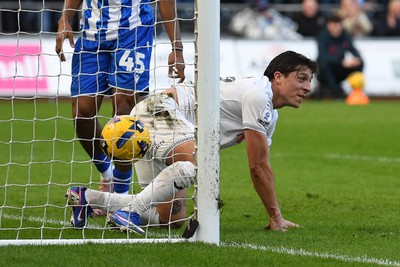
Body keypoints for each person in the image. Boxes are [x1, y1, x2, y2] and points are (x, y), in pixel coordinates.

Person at [65, 50, 318, 235]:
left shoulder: (269, 113)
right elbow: (258, 167)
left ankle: (88, 198)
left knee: (170, 219)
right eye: (302, 78)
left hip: (163, 123)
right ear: (278, 77)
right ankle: (129, 212)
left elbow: (262, 165)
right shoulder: (259, 95)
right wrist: (276, 217)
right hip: (160, 110)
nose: (307, 87)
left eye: (310, 81)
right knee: (199, 166)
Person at [55, 0, 186, 215]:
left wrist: (177, 48)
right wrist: (64, 20)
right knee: (82, 113)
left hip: (133, 32)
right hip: (92, 35)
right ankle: (108, 177)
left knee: (123, 115)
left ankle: (121, 198)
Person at [315, 14, 364, 99]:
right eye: (334, 25)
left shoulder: (345, 35)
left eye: (339, 25)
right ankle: (337, 93)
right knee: (325, 65)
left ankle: (356, 92)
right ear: (329, 26)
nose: (337, 28)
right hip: (324, 72)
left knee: (360, 63)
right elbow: (323, 57)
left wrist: (356, 59)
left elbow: (353, 49)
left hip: (340, 68)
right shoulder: (322, 37)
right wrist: (342, 62)